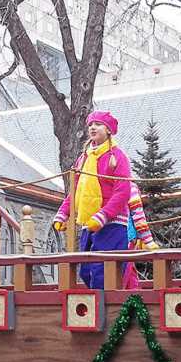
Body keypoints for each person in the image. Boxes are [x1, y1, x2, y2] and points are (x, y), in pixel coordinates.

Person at [52, 111, 132, 290]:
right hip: (89, 222)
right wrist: (63, 213)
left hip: (112, 224)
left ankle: (105, 305)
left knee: (102, 271)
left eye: (98, 124)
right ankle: (97, 302)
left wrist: (104, 215)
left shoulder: (118, 157)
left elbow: (123, 192)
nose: (93, 128)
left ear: (109, 130)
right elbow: (76, 191)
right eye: (90, 125)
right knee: (86, 270)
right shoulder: (84, 159)